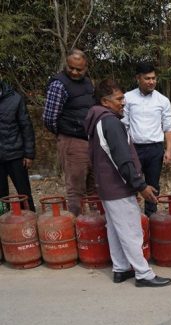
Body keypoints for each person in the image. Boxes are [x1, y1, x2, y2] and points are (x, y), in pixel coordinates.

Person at [84, 79, 171, 288]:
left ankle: (121, 268)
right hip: (118, 186)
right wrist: (141, 186)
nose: (123, 102)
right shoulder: (111, 123)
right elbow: (122, 160)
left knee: (115, 229)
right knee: (131, 230)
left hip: (106, 186)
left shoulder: (97, 120)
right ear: (105, 101)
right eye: (119, 99)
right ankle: (143, 274)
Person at [43, 49, 95, 216]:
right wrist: (65, 134)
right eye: (71, 67)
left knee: (95, 187)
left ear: (86, 67)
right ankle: (77, 224)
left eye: (79, 69)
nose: (74, 72)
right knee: (76, 189)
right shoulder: (58, 85)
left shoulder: (88, 83)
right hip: (72, 141)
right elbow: (49, 118)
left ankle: (96, 223)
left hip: (91, 140)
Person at [123, 62, 171, 217]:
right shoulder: (127, 98)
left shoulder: (162, 100)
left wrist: (169, 151)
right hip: (134, 148)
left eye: (153, 78)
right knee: (132, 183)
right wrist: (125, 149)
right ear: (138, 78)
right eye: (147, 78)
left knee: (153, 184)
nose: (151, 81)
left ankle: (152, 217)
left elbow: (168, 127)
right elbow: (124, 125)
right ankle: (132, 217)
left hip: (155, 149)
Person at [0, 81, 36, 212]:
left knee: (24, 193)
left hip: (15, 154)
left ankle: (29, 219)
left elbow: (26, 126)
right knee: (1, 197)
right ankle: (2, 220)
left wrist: (29, 154)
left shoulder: (15, 98)